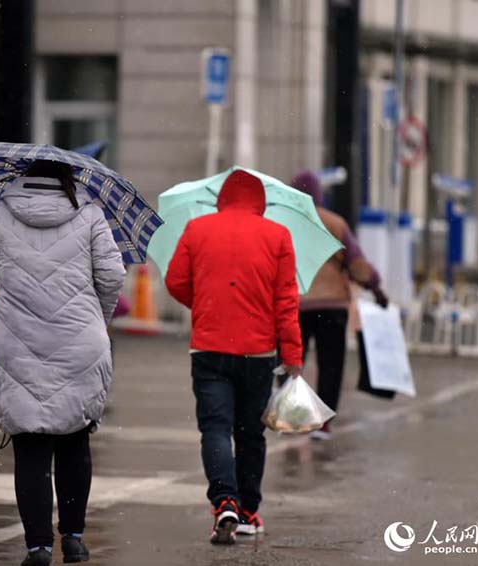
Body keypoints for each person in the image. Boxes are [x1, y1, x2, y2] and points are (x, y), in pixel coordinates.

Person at [0, 159, 126, 566]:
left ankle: (38, 546)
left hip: (17, 341)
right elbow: (112, 276)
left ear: (21, 175)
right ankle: (73, 539)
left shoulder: (0, 211)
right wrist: (98, 317)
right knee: (75, 438)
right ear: (67, 178)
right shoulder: (91, 213)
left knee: (30, 445)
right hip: (80, 341)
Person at [165, 170, 303, 545]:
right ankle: (248, 511)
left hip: (208, 347)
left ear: (222, 198)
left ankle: (223, 500)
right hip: (258, 351)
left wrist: (209, 304)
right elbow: (286, 302)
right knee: (250, 433)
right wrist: (292, 355)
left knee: (214, 427)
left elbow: (176, 281)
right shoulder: (277, 236)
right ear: (260, 202)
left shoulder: (197, 229)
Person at [290, 170, 388, 440]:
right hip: (333, 304)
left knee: (291, 360)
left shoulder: (284, 225)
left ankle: (293, 414)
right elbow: (357, 264)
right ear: (320, 195)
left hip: (296, 304)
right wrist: (376, 288)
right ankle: (323, 423)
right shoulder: (335, 223)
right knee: (331, 363)